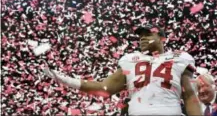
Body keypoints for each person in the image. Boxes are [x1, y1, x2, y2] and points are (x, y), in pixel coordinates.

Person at [42, 24, 203, 115]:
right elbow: (104, 88)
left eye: (148, 34)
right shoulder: (130, 60)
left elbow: (189, 95)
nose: (142, 38)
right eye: (140, 36)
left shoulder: (180, 57)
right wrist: (64, 79)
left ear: (161, 38)